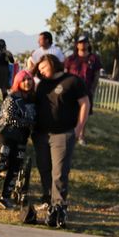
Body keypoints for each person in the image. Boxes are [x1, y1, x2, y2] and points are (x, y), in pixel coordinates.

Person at [33, 54, 90, 228]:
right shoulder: (42, 85)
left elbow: (85, 103)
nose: (41, 71)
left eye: (43, 67)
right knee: (44, 168)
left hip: (63, 134)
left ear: (52, 63)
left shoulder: (72, 81)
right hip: (41, 134)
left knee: (59, 172)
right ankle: (47, 200)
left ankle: (58, 206)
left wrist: (78, 129)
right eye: (39, 70)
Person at [0, 71, 37, 210]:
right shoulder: (12, 97)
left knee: (15, 168)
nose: (27, 82)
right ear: (18, 82)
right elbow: (9, 118)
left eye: (29, 79)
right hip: (5, 135)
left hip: (21, 137)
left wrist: (31, 124)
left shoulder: (33, 99)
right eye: (24, 80)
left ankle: (5, 197)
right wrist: (29, 123)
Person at [64, 35, 102, 118]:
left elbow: (96, 76)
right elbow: (65, 74)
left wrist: (92, 90)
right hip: (72, 91)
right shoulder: (70, 59)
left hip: (86, 91)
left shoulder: (94, 58)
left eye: (85, 42)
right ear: (77, 45)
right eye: (80, 43)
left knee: (83, 117)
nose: (82, 44)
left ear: (88, 44)